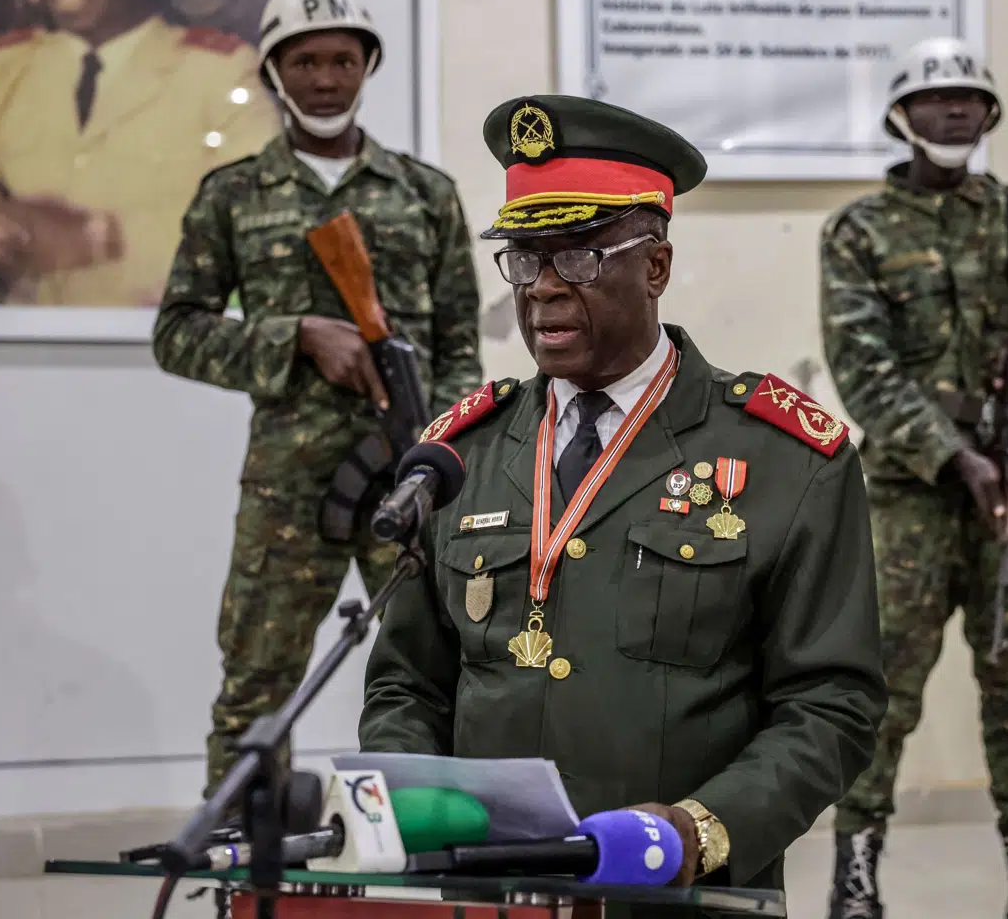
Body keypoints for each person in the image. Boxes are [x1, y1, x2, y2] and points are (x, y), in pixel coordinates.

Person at [358, 93, 888, 914]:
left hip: (684, 897)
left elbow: (833, 704)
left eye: (578, 255)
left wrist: (696, 828)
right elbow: (405, 686)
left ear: (657, 266)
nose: (542, 290)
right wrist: (421, 814)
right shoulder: (464, 453)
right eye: (525, 258)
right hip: (489, 896)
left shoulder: (787, 460)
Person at [151, 0, 482, 800]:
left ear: (367, 66)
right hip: (288, 485)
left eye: (342, 59)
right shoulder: (231, 195)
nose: (326, 78)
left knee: (436, 673)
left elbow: (461, 346)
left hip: (404, 475)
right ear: (273, 73)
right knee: (257, 686)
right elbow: (177, 331)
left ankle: (440, 846)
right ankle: (241, 859)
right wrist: (295, 335)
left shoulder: (425, 193)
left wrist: (444, 451)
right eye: (304, 61)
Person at [819, 37, 1008, 919]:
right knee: (882, 690)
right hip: (910, 495)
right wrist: (955, 455)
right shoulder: (859, 230)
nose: (954, 112)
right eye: (936, 98)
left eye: (969, 98)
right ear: (902, 116)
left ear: (989, 114)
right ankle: (855, 883)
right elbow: (862, 370)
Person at [0, 0, 280, 307]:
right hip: (25, 340)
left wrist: (98, 239)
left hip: (151, 342)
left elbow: (258, 217)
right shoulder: (6, 64)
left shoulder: (219, 69)